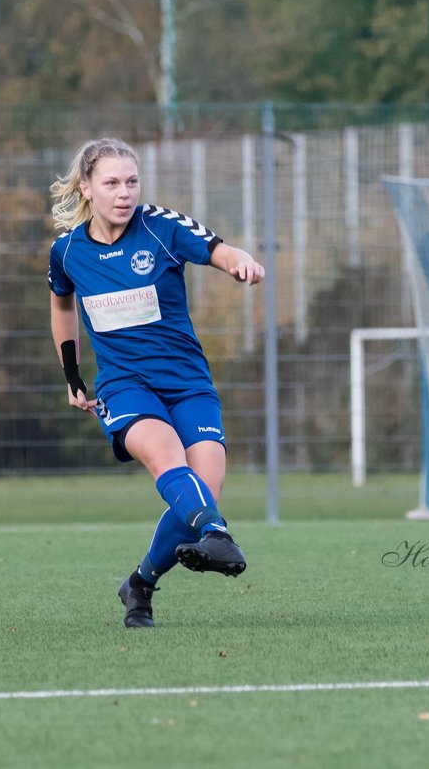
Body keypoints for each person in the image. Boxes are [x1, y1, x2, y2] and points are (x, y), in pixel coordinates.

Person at [47, 137, 265, 628]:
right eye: (111, 183)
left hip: (188, 383)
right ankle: (218, 532)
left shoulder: (161, 226)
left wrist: (242, 264)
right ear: (86, 188)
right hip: (125, 387)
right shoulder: (67, 252)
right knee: (170, 460)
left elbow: (220, 250)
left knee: (202, 487)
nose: (124, 193)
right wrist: (71, 374)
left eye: (131, 181)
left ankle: (140, 584)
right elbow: (61, 305)